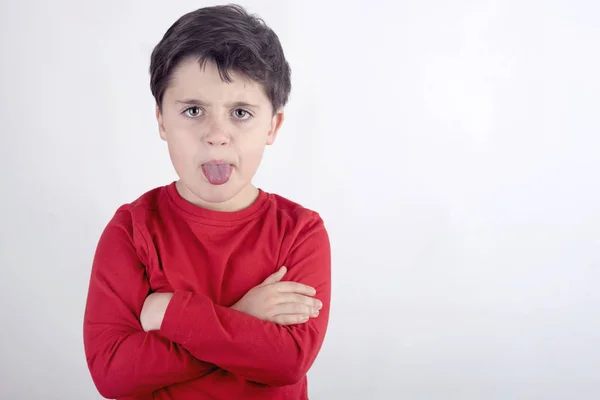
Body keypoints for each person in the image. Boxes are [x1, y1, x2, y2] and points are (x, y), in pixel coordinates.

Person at [82, 4, 331, 400]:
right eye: (194, 111)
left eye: (241, 112)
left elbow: (286, 361)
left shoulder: (301, 231)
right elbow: (112, 373)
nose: (216, 135)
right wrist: (244, 317)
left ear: (273, 126)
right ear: (162, 120)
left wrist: (170, 313)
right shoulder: (131, 230)